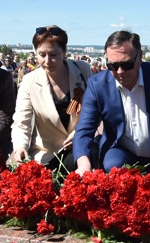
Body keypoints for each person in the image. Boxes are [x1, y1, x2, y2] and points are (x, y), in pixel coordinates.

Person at [73, 30, 150, 174]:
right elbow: (85, 128)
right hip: (120, 152)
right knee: (113, 166)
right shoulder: (97, 85)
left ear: (140, 56)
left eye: (127, 65)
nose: (120, 71)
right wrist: (83, 163)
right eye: (113, 66)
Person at [10, 25, 91, 171]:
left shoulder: (83, 70)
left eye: (53, 55)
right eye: (42, 55)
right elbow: (22, 121)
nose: (47, 61)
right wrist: (20, 146)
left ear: (64, 52)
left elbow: (94, 110)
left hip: (81, 148)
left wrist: (80, 132)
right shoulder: (29, 81)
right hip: (46, 154)